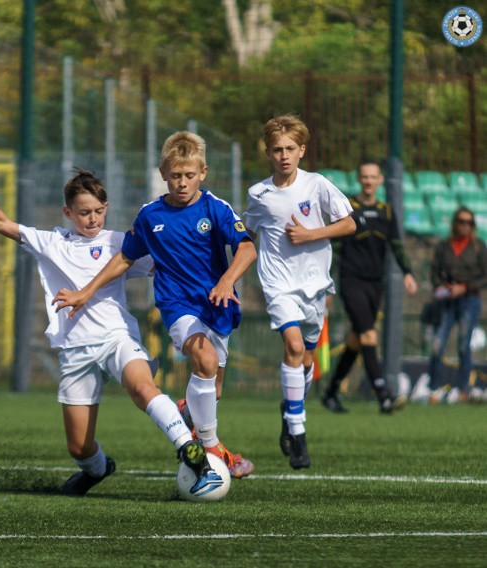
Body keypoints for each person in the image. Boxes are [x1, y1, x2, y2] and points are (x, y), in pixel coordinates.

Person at [0, 167, 211, 495]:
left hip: (117, 338)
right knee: (79, 447)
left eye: (98, 211)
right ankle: (98, 469)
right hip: (76, 348)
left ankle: (189, 450)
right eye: (84, 213)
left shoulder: (121, 243)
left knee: (142, 387)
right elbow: (0, 223)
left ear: (107, 208)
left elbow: (164, 264)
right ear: (68, 213)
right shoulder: (52, 242)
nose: (92, 219)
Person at [53, 131, 258, 481]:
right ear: (163, 172)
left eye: (189, 175)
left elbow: (247, 248)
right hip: (178, 305)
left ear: (203, 173)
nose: (182, 182)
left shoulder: (216, 208)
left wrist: (226, 281)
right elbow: (124, 258)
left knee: (213, 386)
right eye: (175, 175)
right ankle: (210, 447)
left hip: (217, 303)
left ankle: (188, 412)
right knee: (205, 360)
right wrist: (86, 291)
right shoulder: (151, 215)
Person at [244, 114, 356, 470]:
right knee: (293, 347)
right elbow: (246, 235)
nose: (284, 156)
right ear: (268, 152)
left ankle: (288, 410)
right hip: (278, 286)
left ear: (302, 150)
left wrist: (311, 234)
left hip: (314, 287)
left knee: (306, 359)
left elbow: (350, 223)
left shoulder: (317, 185)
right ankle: (298, 432)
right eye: (277, 150)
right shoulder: (258, 194)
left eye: (290, 148)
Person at [321, 159, 418, 414]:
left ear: (380, 180)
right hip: (351, 281)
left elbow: (396, 244)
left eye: (373, 177)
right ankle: (383, 394)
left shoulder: (386, 211)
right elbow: (337, 249)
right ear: (359, 178)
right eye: (364, 176)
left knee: (355, 340)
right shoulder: (348, 208)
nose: (368, 181)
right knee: (368, 335)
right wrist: (327, 283)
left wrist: (408, 272)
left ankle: (330, 393)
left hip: (376, 284)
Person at [426, 206, 487, 405]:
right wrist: (441, 286)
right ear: (455, 223)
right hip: (447, 299)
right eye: (461, 221)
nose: (464, 226)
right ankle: (433, 389)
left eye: (468, 222)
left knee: (463, 345)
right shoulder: (444, 246)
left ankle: (463, 389)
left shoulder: (478, 247)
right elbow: (434, 271)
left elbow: (485, 276)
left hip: (469, 299)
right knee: (437, 344)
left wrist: (466, 287)